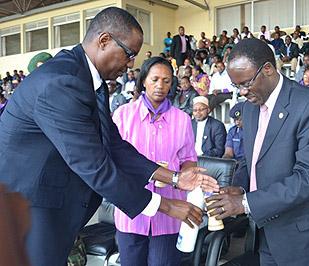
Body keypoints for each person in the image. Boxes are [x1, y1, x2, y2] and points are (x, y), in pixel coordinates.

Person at [0, 8, 218, 266]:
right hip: (29, 212)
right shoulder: (61, 83)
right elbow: (93, 164)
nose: (130, 65)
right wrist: (168, 206)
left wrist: (175, 178)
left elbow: (113, 146)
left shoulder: (90, 81)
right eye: (129, 55)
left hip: (49, 209)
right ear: (104, 41)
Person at [206, 38, 309, 265]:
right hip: (266, 233)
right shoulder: (250, 108)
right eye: (236, 86)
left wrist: (245, 203)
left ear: (268, 69)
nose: (241, 92)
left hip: (305, 240)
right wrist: (240, 186)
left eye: (246, 83)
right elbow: (251, 160)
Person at [112, 57, 198, 266]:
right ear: (143, 81)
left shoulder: (182, 119)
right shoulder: (123, 115)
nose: (160, 85)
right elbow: (112, 158)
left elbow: (188, 160)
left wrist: (184, 174)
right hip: (131, 211)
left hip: (170, 213)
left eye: (167, 81)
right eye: (155, 79)